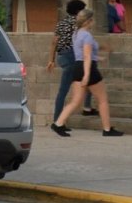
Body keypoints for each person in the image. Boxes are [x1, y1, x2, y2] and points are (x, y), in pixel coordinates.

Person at [51, 9, 123, 137]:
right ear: (89, 21)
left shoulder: (76, 34)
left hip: (78, 67)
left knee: (75, 101)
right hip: (87, 69)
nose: (94, 22)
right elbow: (87, 56)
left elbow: (82, 54)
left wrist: (100, 58)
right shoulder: (87, 36)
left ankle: (58, 123)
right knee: (102, 100)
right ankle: (107, 129)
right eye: (93, 20)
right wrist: (87, 75)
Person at [47, 0, 98, 124]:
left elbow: (54, 42)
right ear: (78, 11)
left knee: (87, 80)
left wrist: (51, 60)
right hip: (72, 56)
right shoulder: (78, 24)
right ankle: (58, 120)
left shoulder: (61, 23)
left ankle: (86, 107)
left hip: (62, 56)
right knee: (66, 88)